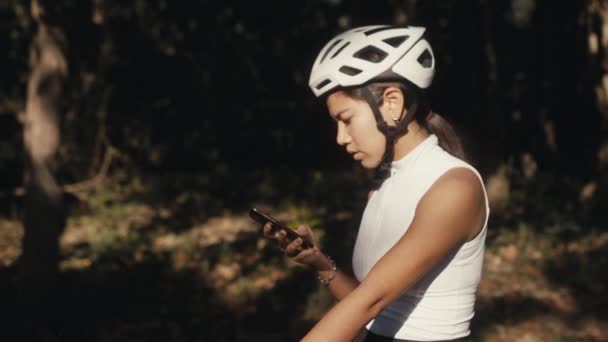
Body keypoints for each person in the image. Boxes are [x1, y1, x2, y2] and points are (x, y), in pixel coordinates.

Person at [264, 25, 489, 342]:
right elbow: (376, 308)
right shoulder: (383, 184)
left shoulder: (454, 187)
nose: (341, 138)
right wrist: (319, 262)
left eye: (346, 119)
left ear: (392, 103)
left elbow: (370, 302)